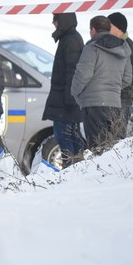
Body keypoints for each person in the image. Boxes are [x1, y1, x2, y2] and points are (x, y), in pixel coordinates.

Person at [70, 15, 132, 152]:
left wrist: (74, 92)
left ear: (93, 30)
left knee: (97, 149)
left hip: (93, 105)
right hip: (115, 104)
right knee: (114, 150)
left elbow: (83, 74)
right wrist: (112, 89)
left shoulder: (92, 47)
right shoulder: (123, 49)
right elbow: (127, 78)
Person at [41, 13, 85, 164]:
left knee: (64, 137)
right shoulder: (69, 38)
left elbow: (72, 72)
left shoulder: (70, 40)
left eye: (56, 19)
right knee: (71, 136)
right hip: (67, 100)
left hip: (66, 102)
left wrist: (70, 98)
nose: (53, 23)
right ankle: (76, 168)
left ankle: (71, 169)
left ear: (63, 21)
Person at [107, 12, 133, 128]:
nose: (106, 30)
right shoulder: (113, 45)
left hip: (122, 103)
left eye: (109, 26)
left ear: (119, 29)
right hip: (110, 101)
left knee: (116, 139)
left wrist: (121, 94)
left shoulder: (131, 49)